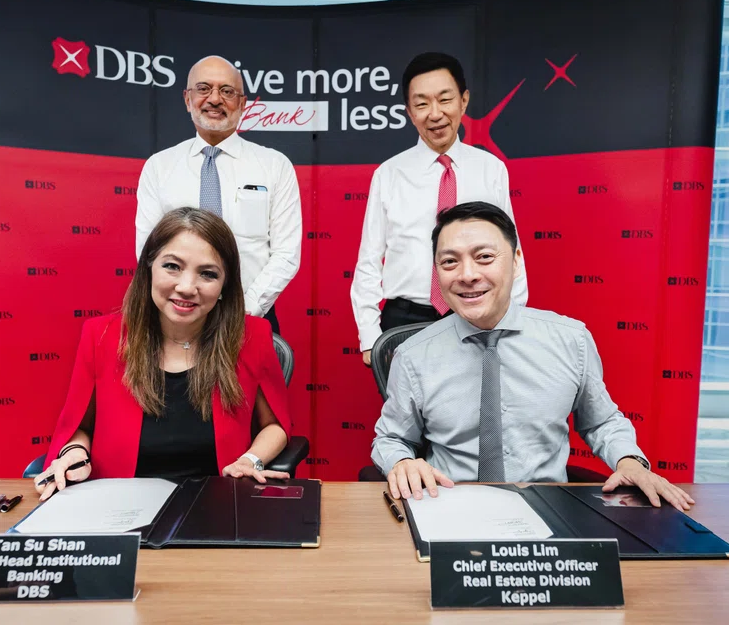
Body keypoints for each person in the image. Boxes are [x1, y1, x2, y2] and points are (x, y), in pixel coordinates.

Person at [371, 201, 694, 512]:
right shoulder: (414, 354)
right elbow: (391, 437)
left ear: (515, 261)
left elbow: (602, 421)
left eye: (484, 257)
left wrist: (630, 461)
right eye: (449, 262)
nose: (467, 275)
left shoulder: (571, 340)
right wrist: (401, 462)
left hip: (548, 509)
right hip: (447, 506)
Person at [37, 207, 291, 500]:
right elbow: (80, 427)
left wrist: (251, 460)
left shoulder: (251, 336)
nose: (186, 287)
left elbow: (275, 426)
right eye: (172, 266)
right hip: (117, 507)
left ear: (224, 286)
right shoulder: (101, 336)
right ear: (149, 267)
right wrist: (74, 454)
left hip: (219, 503)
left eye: (208, 274)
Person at [351, 52, 527, 365]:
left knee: (475, 412)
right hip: (405, 320)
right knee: (407, 414)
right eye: (421, 104)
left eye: (445, 99)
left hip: (477, 314)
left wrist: (512, 320)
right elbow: (368, 260)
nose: (435, 114)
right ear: (408, 111)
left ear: (464, 101)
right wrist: (369, 337)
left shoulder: (491, 169)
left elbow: (511, 253)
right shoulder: (390, 174)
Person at [135, 55, 302, 335]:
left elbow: (286, 253)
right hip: (176, 317)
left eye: (227, 91)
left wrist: (244, 309)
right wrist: (179, 304)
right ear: (187, 99)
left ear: (242, 104)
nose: (215, 99)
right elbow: (148, 251)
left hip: (252, 316)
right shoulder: (159, 167)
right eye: (203, 89)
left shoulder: (275, 165)